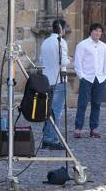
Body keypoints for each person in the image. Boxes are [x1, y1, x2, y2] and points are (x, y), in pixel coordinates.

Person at [74, 23, 106, 138]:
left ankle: (94, 128)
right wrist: (82, 77)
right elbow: (78, 62)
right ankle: (78, 128)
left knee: (97, 104)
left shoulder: (103, 46)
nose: (98, 33)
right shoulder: (82, 45)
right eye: (96, 31)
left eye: (100, 31)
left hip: (100, 79)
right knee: (82, 104)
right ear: (91, 31)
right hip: (87, 78)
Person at [39, 19, 70, 150]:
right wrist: (69, 60)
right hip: (58, 80)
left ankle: (47, 137)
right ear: (61, 29)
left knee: (49, 111)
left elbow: (41, 60)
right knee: (56, 112)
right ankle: (52, 139)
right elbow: (63, 62)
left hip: (47, 79)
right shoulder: (61, 42)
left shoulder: (45, 42)